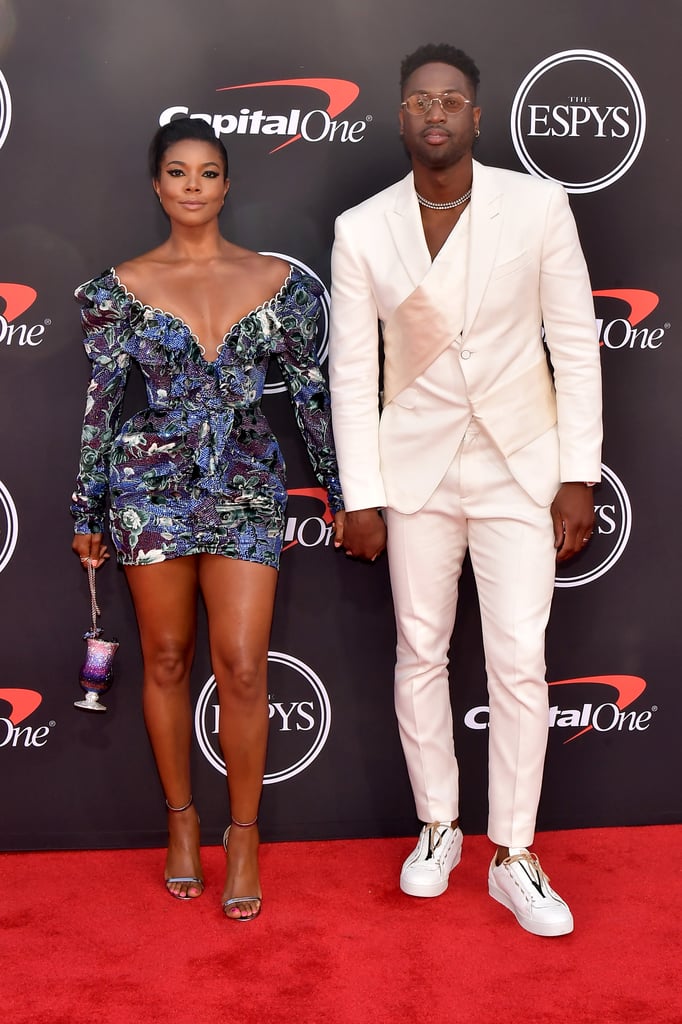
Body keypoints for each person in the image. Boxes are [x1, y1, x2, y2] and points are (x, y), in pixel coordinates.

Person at [328, 43, 601, 937]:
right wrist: (359, 493)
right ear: (400, 117)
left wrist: (577, 475)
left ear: (477, 117)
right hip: (417, 469)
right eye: (419, 100)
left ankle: (515, 852)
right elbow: (353, 374)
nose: (436, 112)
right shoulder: (362, 227)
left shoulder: (537, 202)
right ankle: (438, 826)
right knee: (420, 648)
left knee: (519, 658)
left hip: (522, 461)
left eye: (452, 100)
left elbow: (574, 340)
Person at [71, 117, 344, 922]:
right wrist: (86, 505)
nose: (194, 186)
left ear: (228, 185)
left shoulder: (279, 283)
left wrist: (336, 488)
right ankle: (182, 825)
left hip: (249, 486)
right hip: (147, 488)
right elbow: (98, 406)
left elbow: (308, 397)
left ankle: (246, 835)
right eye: (179, 172)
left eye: (209, 172)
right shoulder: (115, 290)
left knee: (245, 667)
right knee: (164, 656)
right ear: (158, 186)